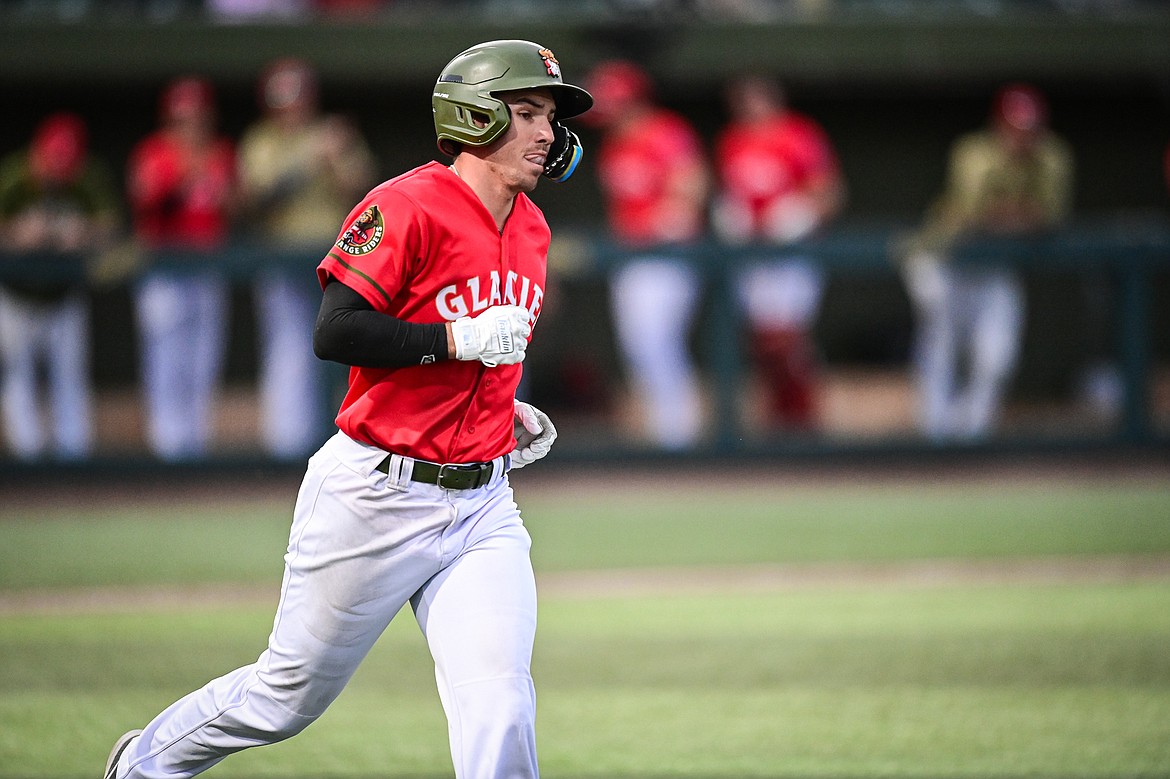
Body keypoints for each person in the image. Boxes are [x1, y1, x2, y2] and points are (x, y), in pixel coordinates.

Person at [103, 39, 591, 779]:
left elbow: (485, 349)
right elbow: (337, 330)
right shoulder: (404, 203)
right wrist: (457, 339)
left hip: (482, 506)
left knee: (500, 705)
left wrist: (500, 410)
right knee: (285, 696)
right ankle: (141, 764)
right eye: (525, 113)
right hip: (375, 493)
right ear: (473, 116)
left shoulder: (532, 227)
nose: (546, 133)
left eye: (550, 118)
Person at [900, 83, 1074, 441]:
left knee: (996, 356)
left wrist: (1013, 219)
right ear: (999, 124)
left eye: (1030, 129)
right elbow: (972, 213)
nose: (1023, 138)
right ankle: (934, 437)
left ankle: (971, 437)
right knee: (941, 345)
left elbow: (1052, 217)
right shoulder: (974, 151)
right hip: (943, 259)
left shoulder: (1052, 155)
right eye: (1015, 128)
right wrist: (1020, 219)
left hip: (994, 267)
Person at [238, 58, 376, 458]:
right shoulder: (261, 140)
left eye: (298, 96)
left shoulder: (332, 132)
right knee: (287, 349)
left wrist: (335, 157)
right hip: (281, 256)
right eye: (284, 98)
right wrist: (310, 160)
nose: (292, 106)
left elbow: (363, 190)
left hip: (337, 259)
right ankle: (288, 445)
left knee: (346, 346)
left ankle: (349, 442)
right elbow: (257, 201)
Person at [584, 59, 711, 449]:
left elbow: (693, 184)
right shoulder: (614, 144)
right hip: (632, 256)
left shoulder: (665, 132)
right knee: (638, 347)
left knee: (658, 342)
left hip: (669, 255)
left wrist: (674, 217)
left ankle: (680, 434)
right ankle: (666, 432)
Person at [712, 74, 845, 431]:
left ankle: (805, 418)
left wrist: (798, 215)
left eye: (757, 97)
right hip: (752, 254)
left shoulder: (798, 134)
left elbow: (830, 193)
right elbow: (731, 194)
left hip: (793, 253)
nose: (749, 106)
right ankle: (778, 420)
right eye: (742, 99)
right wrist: (732, 216)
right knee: (762, 342)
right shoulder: (733, 140)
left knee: (789, 338)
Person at [126, 76, 237, 460]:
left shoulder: (221, 153)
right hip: (165, 270)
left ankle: (196, 445)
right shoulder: (154, 153)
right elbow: (144, 195)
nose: (193, 125)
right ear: (170, 119)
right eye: (184, 118)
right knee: (166, 358)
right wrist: (184, 175)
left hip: (206, 268)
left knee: (204, 359)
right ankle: (167, 447)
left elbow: (233, 205)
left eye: (199, 117)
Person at [0, 112, 120, 460]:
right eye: (52, 162)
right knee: (18, 378)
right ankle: (29, 461)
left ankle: (74, 464)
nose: (57, 172)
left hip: (63, 296)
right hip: (16, 297)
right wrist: (16, 235)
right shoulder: (13, 176)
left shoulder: (85, 176)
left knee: (70, 379)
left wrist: (83, 232)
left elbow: (111, 227)